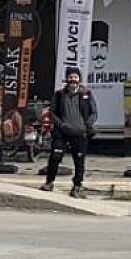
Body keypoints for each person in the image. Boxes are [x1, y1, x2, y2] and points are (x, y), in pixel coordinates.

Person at [40, 68, 96, 197]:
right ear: (66, 79)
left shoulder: (87, 94)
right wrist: (60, 124)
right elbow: (52, 112)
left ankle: (77, 186)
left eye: (75, 77)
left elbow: (94, 112)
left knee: (79, 161)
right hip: (62, 133)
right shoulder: (59, 94)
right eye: (70, 77)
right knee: (55, 157)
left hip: (80, 133)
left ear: (79, 79)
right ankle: (49, 182)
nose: (73, 80)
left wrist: (88, 124)